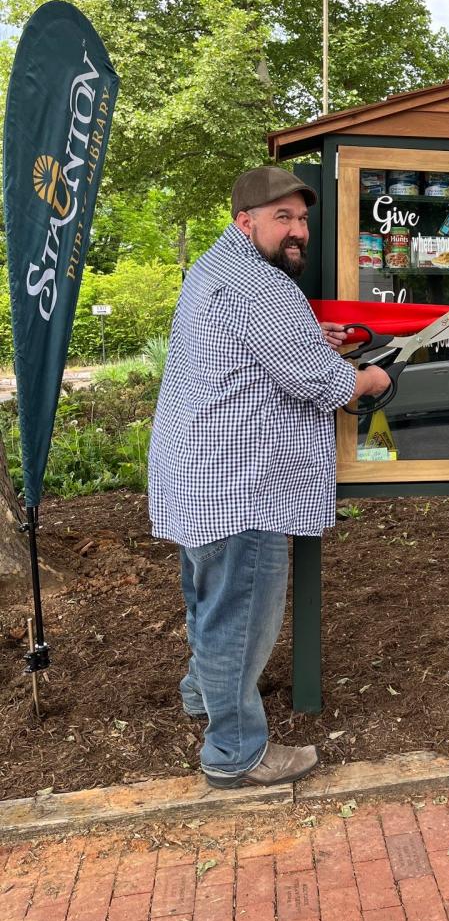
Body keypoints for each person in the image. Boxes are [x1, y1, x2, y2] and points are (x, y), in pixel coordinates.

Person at [148, 166, 390, 788]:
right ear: (245, 220)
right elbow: (314, 382)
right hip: (243, 487)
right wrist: (368, 379)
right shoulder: (262, 286)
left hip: (198, 478)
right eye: (282, 218)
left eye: (303, 219)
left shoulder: (215, 268)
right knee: (242, 615)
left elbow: (261, 353)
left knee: (210, 600)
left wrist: (311, 338)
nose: (298, 231)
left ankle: (204, 695)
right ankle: (234, 753)